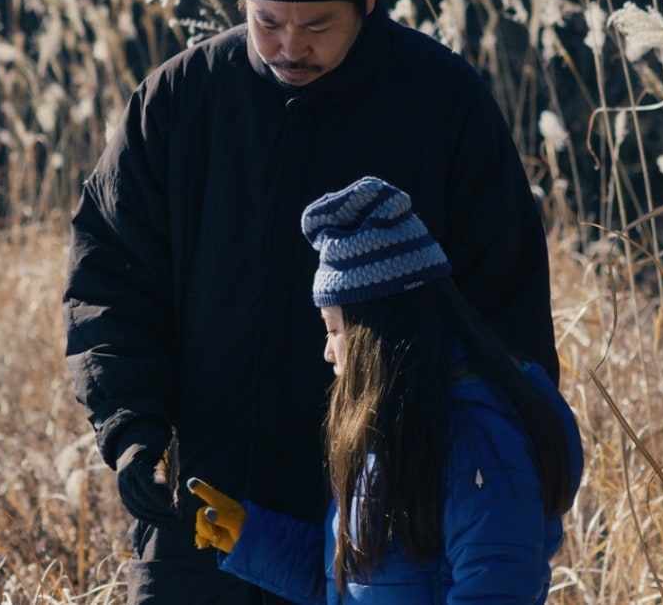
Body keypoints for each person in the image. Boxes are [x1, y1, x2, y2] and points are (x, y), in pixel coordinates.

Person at [62, 0, 559, 603]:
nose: (291, 46)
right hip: (205, 513)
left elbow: (504, 319)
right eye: (267, 22)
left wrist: (482, 476)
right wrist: (131, 427)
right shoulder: (178, 103)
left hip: (386, 522)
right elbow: (108, 279)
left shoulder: (443, 105)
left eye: (318, 25)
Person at [186, 176, 582, 604]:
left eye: (334, 329)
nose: (327, 351)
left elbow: (498, 590)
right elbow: (353, 586)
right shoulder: (394, 432)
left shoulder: (479, 442)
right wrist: (253, 540)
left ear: (375, 334)